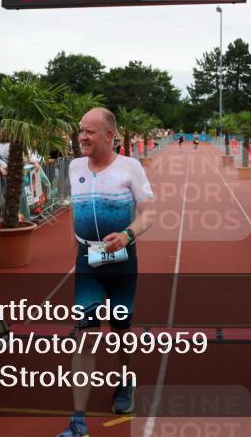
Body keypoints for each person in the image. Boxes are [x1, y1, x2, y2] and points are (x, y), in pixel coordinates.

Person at [58, 107, 154, 437]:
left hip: (123, 261)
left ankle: (125, 381)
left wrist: (127, 234)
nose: (82, 136)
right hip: (88, 262)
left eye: (90, 132)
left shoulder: (130, 168)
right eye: (81, 130)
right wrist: (76, 257)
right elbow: (74, 213)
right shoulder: (74, 167)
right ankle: (78, 420)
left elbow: (149, 213)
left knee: (121, 330)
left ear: (109, 135)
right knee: (85, 335)